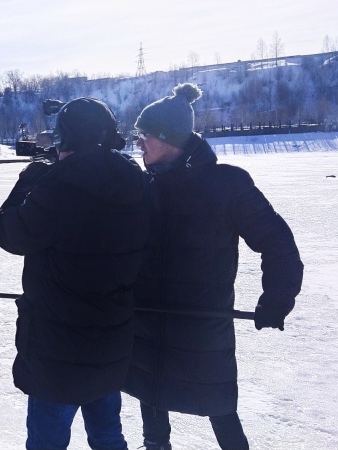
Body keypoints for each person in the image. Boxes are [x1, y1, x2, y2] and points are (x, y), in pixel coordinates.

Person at [123, 83, 304, 450]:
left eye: (143, 136)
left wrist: (276, 298)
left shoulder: (226, 184)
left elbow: (278, 243)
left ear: (167, 137)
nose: (137, 143)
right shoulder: (143, 186)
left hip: (200, 330)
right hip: (146, 322)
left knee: (219, 407)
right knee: (151, 398)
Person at [0, 97, 149, 450]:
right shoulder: (135, 182)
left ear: (66, 139)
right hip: (111, 339)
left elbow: (7, 232)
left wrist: (27, 182)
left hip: (58, 352)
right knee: (108, 435)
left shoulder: (59, 188)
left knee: (46, 442)